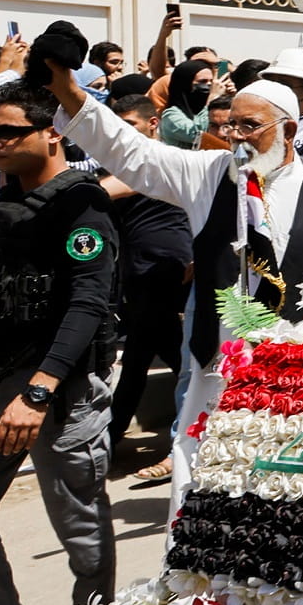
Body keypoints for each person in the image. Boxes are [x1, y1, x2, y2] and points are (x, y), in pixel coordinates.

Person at [47, 65, 303, 504]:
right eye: (230, 126)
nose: (237, 137)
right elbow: (131, 152)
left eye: (250, 126)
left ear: (289, 130)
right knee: (204, 503)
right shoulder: (208, 174)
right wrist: (68, 90)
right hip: (217, 379)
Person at [0, 80, 118, 605]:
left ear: (52, 133)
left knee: (79, 525)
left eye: (9, 131)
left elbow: (88, 305)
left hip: (59, 393)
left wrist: (39, 391)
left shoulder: (82, 208)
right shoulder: (4, 210)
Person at [103, 93, 192, 480]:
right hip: (140, 272)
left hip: (167, 268)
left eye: (131, 125)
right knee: (151, 352)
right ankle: (111, 437)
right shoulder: (122, 161)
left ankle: (111, 438)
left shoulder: (157, 159)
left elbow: (109, 190)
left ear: (153, 124)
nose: (124, 132)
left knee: (165, 354)